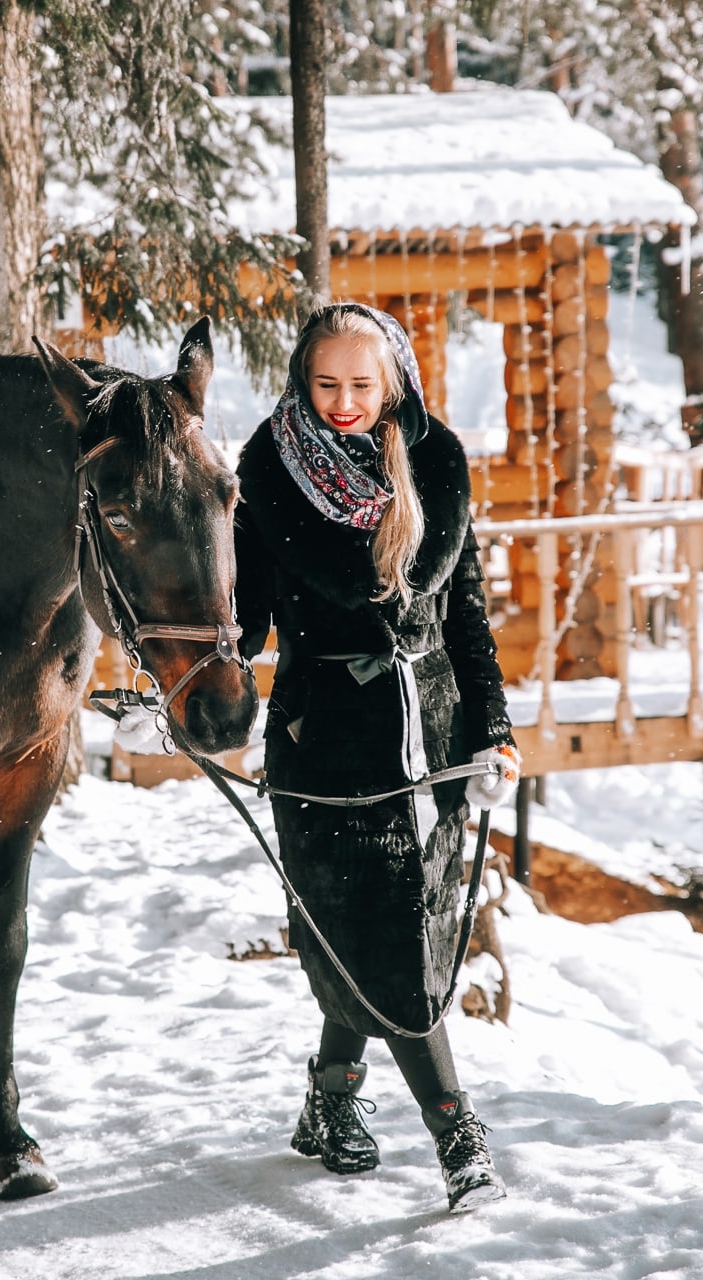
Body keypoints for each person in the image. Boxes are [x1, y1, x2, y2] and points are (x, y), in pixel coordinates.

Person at [234, 303, 521, 1213]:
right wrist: (182, 670)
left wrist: (493, 728)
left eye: (362, 385)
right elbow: (244, 618)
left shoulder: (435, 462)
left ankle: (330, 1096)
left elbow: (464, 608)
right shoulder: (267, 471)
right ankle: (457, 1137)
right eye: (326, 385)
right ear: (299, 381)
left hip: (427, 733)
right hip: (322, 734)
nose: (344, 403)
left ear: (393, 379)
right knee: (370, 926)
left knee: (390, 923)